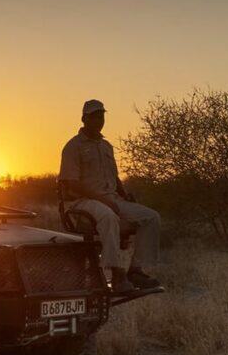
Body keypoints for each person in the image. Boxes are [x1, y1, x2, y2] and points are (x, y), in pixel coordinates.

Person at [59, 100, 161, 292]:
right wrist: (102, 199)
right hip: (81, 201)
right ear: (84, 119)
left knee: (151, 217)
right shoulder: (73, 147)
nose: (99, 120)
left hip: (111, 198)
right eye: (94, 116)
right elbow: (71, 183)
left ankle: (136, 271)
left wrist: (124, 194)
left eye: (101, 116)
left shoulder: (106, 146)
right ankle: (116, 274)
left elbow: (114, 176)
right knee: (108, 217)